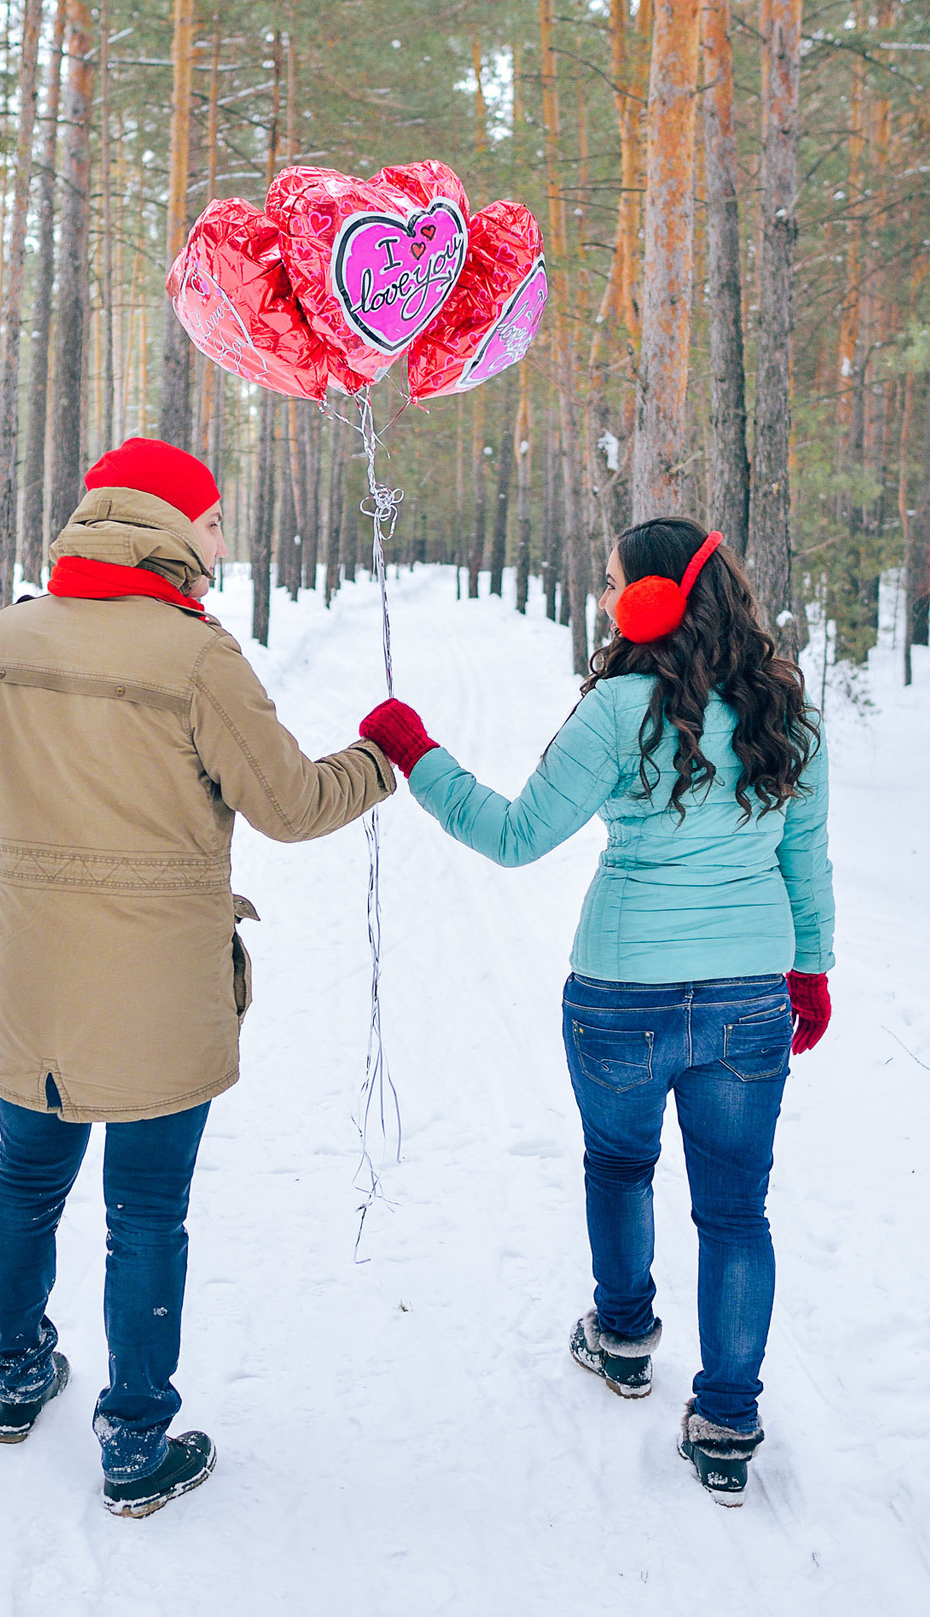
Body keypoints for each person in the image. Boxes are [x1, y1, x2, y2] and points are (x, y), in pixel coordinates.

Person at [0, 436, 394, 1518]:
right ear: (171, 527)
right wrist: (380, 759)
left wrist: (44, 870)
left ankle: (13, 1372)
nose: (222, 542)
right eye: (213, 522)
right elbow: (291, 805)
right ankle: (135, 1442)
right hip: (160, 989)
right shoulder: (195, 656)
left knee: (25, 1179)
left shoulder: (0, 640)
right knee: (145, 1211)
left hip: (34, 979)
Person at [357, 516, 834, 1506]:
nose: (607, 596)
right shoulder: (788, 710)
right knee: (736, 1211)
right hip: (748, 996)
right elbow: (804, 859)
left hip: (622, 993)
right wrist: (810, 969)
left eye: (616, 581)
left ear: (655, 600)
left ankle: (621, 1338)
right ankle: (727, 1421)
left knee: (620, 1165)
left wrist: (416, 753)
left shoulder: (617, 709)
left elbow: (514, 835)